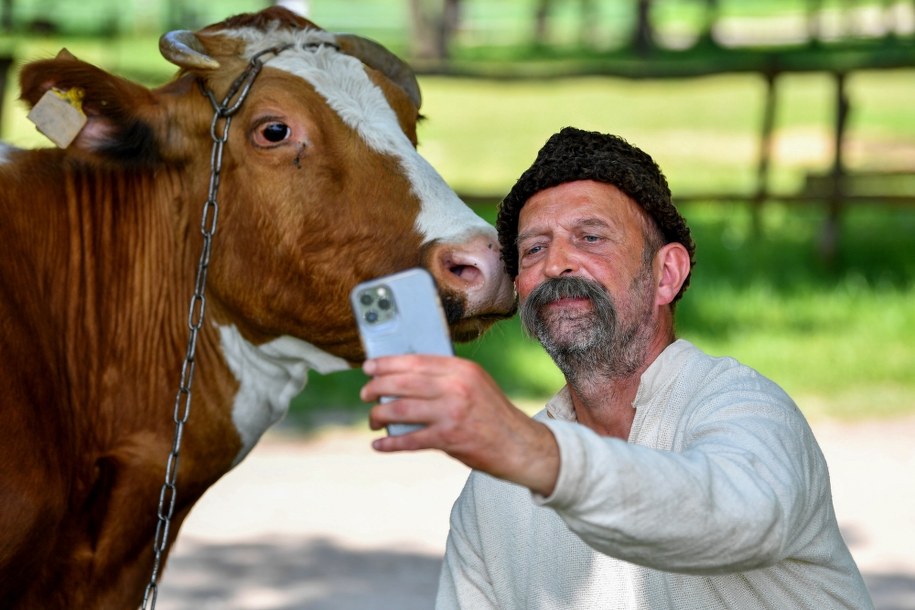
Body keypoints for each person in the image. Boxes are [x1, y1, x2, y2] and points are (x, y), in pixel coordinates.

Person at [360, 127, 874, 609]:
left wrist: (527, 451)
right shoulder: (493, 494)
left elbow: (741, 518)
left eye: (590, 238)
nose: (556, 263)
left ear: (666, 274)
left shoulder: (745, 409)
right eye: (533, 248)